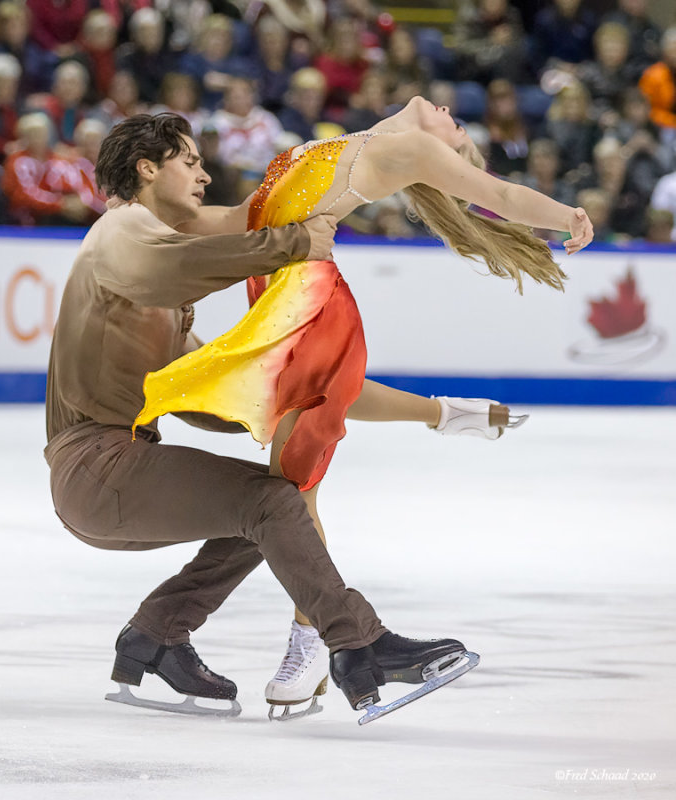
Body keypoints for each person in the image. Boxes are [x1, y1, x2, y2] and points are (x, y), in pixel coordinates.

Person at [133, 97, 594, 713]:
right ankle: (448, 421)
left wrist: (569, 215)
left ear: (444, 146)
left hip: (311, 309)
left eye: (458, 126)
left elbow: (502, 197)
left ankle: (311, 652)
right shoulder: (343, 140)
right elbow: (242, 219)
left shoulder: (412, 149)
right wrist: (150, 219)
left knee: (290, 495)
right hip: (279, 301)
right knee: (289, 494)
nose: (451, 110)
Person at [44, 112, 476, 720]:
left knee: (271, 507)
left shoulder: (154, 291)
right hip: (99, 467)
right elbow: (167, 267)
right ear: (148, 168)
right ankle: (359, 644)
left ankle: (156, 636)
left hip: (105, 477)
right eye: (189, 161)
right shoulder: (120, 230)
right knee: (273, 506)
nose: (203, 172)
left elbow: (201, 390)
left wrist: (291, 405)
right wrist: (294, 245)